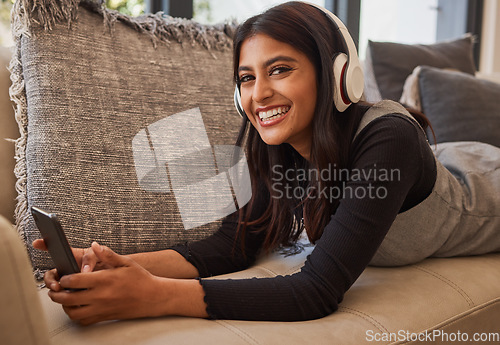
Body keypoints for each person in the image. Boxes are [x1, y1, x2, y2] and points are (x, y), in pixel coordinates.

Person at [34, 1, 500, 325]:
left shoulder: (388, 137)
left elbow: (316, 291)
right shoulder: (278, 148)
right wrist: (120, 267)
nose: (259, 95)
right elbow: (231, 246)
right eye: (246, 78)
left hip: (486, 186)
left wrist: (154, 296)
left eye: (280, 70)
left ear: (337, 73)